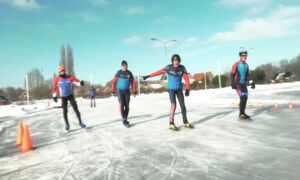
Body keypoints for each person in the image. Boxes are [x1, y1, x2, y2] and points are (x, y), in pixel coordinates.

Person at [143, 54, 192, 130]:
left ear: (179, 61)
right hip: (171, 89)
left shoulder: (182, 68)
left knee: (183, 105)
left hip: (179, 89)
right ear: (172, 61)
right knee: (173, 105)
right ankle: (171, 123)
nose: (176, 62)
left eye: (177, 61)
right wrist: (148, 76)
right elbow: (158, 72)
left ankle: (185, 121)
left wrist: (188, 89)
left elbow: (186, 79)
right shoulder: (168, 67)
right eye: (174, 61)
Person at [52, 65, 86, 130]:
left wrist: (80, 83)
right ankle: (67, 125)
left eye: (63, 70)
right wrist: (54, 96)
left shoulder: (69, 77)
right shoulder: (57, 80)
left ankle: (80, 123)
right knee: (65, 111)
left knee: (76, 110)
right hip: (63, 97)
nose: (62, 72)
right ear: (59, 72)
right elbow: (54, 88)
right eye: (61, 71)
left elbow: (76, 82)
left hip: (71, 96)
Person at [231, 49, 255, 120]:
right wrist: (232, 83)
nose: (244, 57)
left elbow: (248, 76)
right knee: (243, 97)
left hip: (243, 84)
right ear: (240, 56)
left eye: (245, 56)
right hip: (237, 84)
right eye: (243, 56)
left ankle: (242, 113)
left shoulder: (247, 65)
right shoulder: (236, 64)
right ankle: (241, 114)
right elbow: (232, 74)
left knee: (245, 98)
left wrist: (252, 83)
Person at [111, 60, 137, 127]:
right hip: (119, 91)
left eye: (126, 65)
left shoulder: (129, 73)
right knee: (122, 104)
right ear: (121, 66)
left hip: (127, 91)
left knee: (127, 106)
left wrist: (135, 90)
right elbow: (114, 82)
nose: (125, 67)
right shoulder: (119, 72)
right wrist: (112, 90)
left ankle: (125, 119)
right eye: (124, 65)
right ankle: (124, 120)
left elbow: (133, 82)